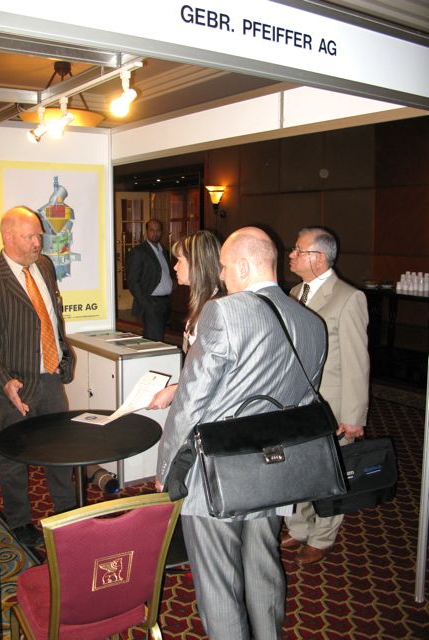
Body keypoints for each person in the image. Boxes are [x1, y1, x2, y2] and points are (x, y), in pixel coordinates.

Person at [156, 227, 327, 640]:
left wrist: (167, 470)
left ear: (246, 266)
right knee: (263, 568)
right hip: (273, 471)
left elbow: (191, 402)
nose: (222, 275)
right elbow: (303, 403)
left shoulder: (223, 313)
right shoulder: (312, 323)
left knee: (220, 584)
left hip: (217, 473)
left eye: (226, 267)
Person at [0, 206, 76, 546]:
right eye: (30, 236)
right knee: (12, 455)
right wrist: (3, 382)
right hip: (14, 384)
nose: (38, 242)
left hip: (50, 378)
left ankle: (66, 511)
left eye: (39, 235)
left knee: (60, 449)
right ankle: (19, 521)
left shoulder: (44, 266)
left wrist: (63, 354)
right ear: (8, 237)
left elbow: (52, 315)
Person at [282, 226, 370, 564]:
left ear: (318, 258)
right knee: (297, 469)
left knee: (330, 473)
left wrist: (354, 416)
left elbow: (357, 363)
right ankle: (300, 527)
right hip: (296, 403)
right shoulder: (294, 292)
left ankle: (322, 537)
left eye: (298, 250)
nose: (291, 255)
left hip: (332, 406)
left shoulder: (349, 298)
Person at [147, 229, 225, 410]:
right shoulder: (205, 302)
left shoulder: (216, 309)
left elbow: (212, 372)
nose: (174, 267)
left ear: (197, 264)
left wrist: (175, 390)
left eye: (180, 261)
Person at [126, 218, 173, 341]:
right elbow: (132, 281)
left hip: (165, 302)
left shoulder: (163, 250)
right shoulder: (139, 252)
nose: (155, 233)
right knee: (154, 340)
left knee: (159, 338)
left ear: (161, 232)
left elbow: (165, 272)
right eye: (152, 230)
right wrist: (146, 304)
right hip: (151, 302)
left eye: (158, 230)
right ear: (146, 232)